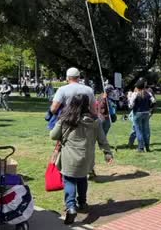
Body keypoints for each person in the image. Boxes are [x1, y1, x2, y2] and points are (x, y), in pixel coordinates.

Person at [50, 94, 113, 225]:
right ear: (87, 105)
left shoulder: (66, 119)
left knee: (69, 181)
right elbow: (102, 139)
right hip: (87, 156)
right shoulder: (95, 121)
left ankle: (71, 207)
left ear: (71, 103)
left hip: (70, 156)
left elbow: (53, 135)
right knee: (82, 178)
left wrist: (59, 122)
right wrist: (107, 153)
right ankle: (82, 203)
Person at [128, 78, 155, 153]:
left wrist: (129, 100)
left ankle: (141, 147)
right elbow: (153, 102)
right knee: (146, 130)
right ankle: (147, 147)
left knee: (138, 130)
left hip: (137, 113)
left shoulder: (135, 94)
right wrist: (150, 109)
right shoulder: (148, 93)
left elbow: (130, 105)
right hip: (146, 113)